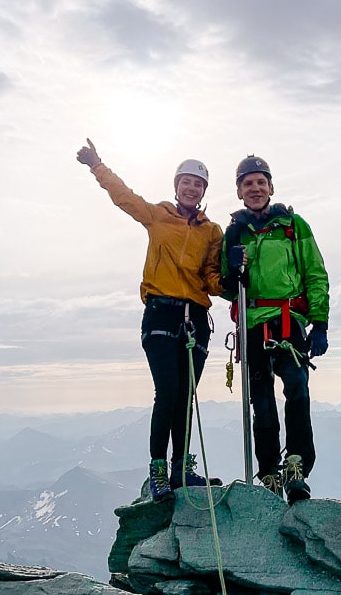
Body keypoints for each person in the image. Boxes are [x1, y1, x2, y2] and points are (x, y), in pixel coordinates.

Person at [77, 138, 229, 502]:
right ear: (176, 186)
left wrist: (231, 281)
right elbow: (124, 197)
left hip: (195, 319)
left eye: (198, 183)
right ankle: (159, 469)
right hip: (161, 313)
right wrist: (97, 165)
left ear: (204, 190)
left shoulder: (213, 231)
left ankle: (181, 468)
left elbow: (210, 276)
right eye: (186, 182)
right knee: (169, 391)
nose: (191, 188)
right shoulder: (158, 214)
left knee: (185, 397)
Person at [221, 155, 330, 504]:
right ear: (239, 191)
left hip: (288, 320)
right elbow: (226, 286)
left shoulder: (294, 226)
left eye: (260, 182)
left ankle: (296, 466)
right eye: (248, 183)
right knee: (262, 401)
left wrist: (320, 321)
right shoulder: (234, 233)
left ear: (271, 187)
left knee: (297, 388)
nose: (255, 188)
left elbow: (314, 273)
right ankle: (269, 471)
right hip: (253, 322)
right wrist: (231, 271)